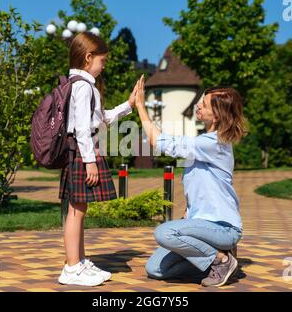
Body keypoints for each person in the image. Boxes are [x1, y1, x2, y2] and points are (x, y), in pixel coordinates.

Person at [134, 75, 246, 287]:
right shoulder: (205, 143)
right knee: (155, 269)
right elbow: (202, 187)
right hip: (201, 226)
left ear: (217, 115)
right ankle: (213, 261)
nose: (197, 106)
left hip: (222, 228)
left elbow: (161, 143)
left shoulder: (215, 143)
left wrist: (140, 106)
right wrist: (189, 213)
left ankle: (221, 259)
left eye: (203, 105)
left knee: (164, 232)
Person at [57, 32, 137, 287]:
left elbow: (100, 120)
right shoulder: (82, 86)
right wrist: (89, 161)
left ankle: (78, 262)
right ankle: (71, 268)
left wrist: (129, 104)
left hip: (82, 150)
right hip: (82, 151)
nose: (103, 66)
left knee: (78, 209)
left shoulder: (82, 85)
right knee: (76, 210)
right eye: (102, 61)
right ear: (88, 57)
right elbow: (82, 128)